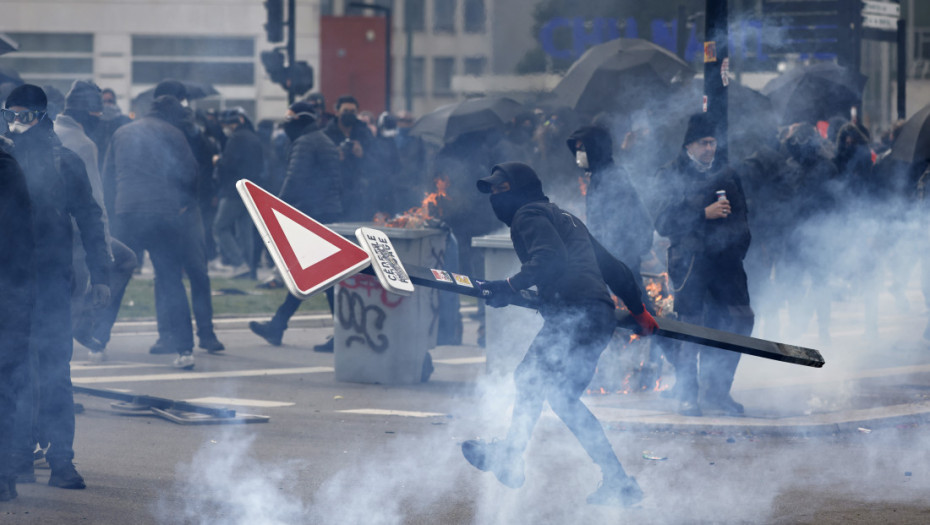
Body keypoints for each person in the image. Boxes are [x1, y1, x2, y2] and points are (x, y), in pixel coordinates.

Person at [461, 162, 658, 507]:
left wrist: (509, 286)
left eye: (500, 190)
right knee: (563, 398)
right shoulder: (566, 218)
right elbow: (615, 269)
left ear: (521, 190)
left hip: (575, 314)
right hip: (596, 316)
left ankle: (510, 454)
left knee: (528, 379)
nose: (494, 197)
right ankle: (619, 482)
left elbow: (549, 260)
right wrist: (638, 310)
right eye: (490, 192)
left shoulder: (528, 214)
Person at [4, 84, 111, 490]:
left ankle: (61, 459)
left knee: (52, 370)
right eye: (9, 114)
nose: (16, 122)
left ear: (40, 115)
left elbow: (89, 218)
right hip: (14, 284)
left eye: (23, 114)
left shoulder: (63, 160)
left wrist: (101, 274)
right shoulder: (6, 158)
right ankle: (18, 457)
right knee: (16, 371)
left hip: (49, 283)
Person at [653, 113, 754, 417]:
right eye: (703, 143)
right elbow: (664, 222)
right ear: (689, 145)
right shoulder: (670, 174)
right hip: (691, 262)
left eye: (712, 142)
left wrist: (737, 246)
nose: (710, 148)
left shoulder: (727, 174)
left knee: (738, 322)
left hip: (726, 264)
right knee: (692, 328)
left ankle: (718, 390)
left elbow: (742, 216)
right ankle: (688, 395)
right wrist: (702, 214)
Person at [103, 93, 200, 369]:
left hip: (127, 211)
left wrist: (113, 210)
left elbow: (107, 176)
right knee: (170, 280)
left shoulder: (122, 132)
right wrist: (184, 205)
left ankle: (98, 340)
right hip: (164, 214)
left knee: (118, 276)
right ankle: (184, 349)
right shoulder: (174, 133)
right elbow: (191, 173)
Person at [55, 80, 139, 362]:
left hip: (46, 231)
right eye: (98, 116)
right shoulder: (82, 143)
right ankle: (86, 322)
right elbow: (95, 206)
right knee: (122, 261)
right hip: (76, 234)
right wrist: (101, 256)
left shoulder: (50, 130)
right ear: (88, 115)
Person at [249, 101, 342, 350]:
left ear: (299, 120)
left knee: (319, 276)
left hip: (313, 213)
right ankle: (278, 326)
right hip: (326, 211)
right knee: (313, 274)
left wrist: (277, 208)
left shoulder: (305, 142)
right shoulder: (323, 139)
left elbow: (295, 179)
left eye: (290, 120)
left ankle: (339, 333)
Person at [567, 125, 653, 277]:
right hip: (609, 257)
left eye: (583, 149)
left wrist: (604, 255)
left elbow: (618, 224)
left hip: (620, 258)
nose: (579, 154)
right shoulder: (598, 177)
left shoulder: (613, 178)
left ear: (596, 148)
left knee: (631, 297)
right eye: (577, 149)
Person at [0, 140, 35, 502]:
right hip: (13, 293)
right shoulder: (10, 166)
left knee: (6, 386)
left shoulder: (5, 169)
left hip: (8, 294)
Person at [212, 107, 264, 278]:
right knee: (245, 231)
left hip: (233, 191)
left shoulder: (236, 138)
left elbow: (229, 163)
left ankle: (239, 262)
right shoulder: (254, 137)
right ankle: (249, 269)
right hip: (250, 190)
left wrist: (218, 160)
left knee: (220, 227)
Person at [323, 94, 374, 221]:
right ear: (337, 112)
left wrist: (362, 154)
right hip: (335, 193)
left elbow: (378, 161)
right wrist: (334, 156)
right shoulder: (326, 134)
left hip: (360, 192)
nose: (349, 114)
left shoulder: (364, 132)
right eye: (345, 111)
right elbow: (319, 166)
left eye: (353, 112)